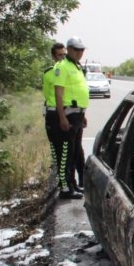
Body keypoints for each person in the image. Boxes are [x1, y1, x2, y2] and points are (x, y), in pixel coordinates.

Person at [53, 36, 89, 200]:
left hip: (78, 114)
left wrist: (83, 116)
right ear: (69, 49)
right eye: (76, 49)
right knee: (66, 153)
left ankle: (73, 184)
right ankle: (65, 188)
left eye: (82, 50)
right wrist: (62, 117)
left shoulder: (76, 66)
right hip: (69, 114)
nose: (79, 52)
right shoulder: (63, 67)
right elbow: (58, 93)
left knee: (74, 152)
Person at [42, 42, 68, 194]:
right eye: (60, 55)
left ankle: (64, 182)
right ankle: (61, 184)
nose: (62, 57)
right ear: (53, 56)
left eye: (64, 54)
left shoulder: (69, 71)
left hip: (65, 113)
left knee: (65, 150)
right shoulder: (48, 73)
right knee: (57, 151)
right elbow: (47, 95)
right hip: (53, 114)